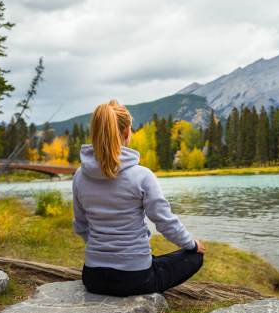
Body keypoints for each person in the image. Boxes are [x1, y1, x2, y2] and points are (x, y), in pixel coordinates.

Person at [72, 100, 205, 297]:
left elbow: (81, 226)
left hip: (93, 278)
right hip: (135, 279)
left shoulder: (79, 176)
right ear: (127, 132)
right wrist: (192, 244)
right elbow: (165, 223)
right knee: (194, 258)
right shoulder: (142, 175)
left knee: (154, 260)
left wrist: (103, 252)